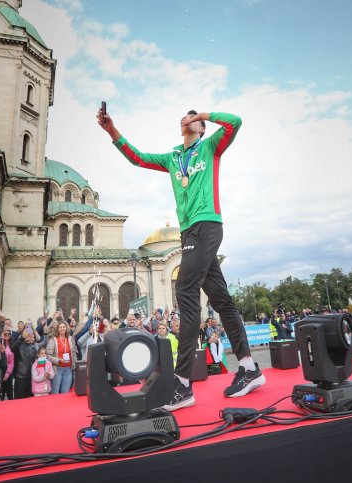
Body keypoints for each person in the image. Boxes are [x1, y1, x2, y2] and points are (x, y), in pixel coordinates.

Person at [98, 106, 263, 411]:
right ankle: (250, 367)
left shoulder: (211, 146)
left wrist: (205, 112)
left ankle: (184, 384)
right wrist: (112, 131)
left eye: (193, 120)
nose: (186, 122)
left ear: (201, 127)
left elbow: (235, 122)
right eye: (184, 119)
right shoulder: (173, 157)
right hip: (188, 233)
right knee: (222, 300)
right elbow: (137, 157)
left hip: (207, 224)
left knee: (186, 292)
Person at [47, 321, 76, 394]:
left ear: (66, 328)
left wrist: (75, 366)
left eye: (64, 327)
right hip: (57, 370)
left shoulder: (70, 339)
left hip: (68, 369)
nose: (62, 329)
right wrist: (59, 360)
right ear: (57, 329)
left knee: (65, 394)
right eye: (60, 327)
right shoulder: (53, 340)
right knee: (55, 393)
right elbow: (47, 356)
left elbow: (74, 354)